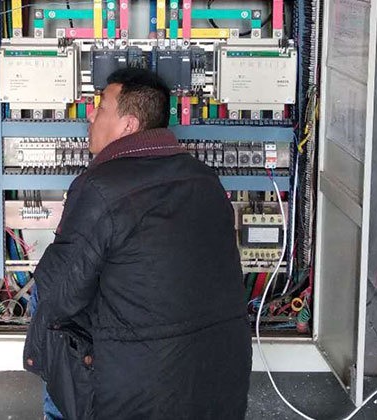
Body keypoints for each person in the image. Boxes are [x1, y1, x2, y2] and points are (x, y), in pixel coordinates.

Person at [24, 68, 252, 420]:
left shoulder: (100, 186)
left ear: (128, 125)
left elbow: (59, 295)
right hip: (221, 384)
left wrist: (37, 355)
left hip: (137, 395)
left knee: (46, 292)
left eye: (101, 108)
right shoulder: (206, 179)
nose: (90, 118)